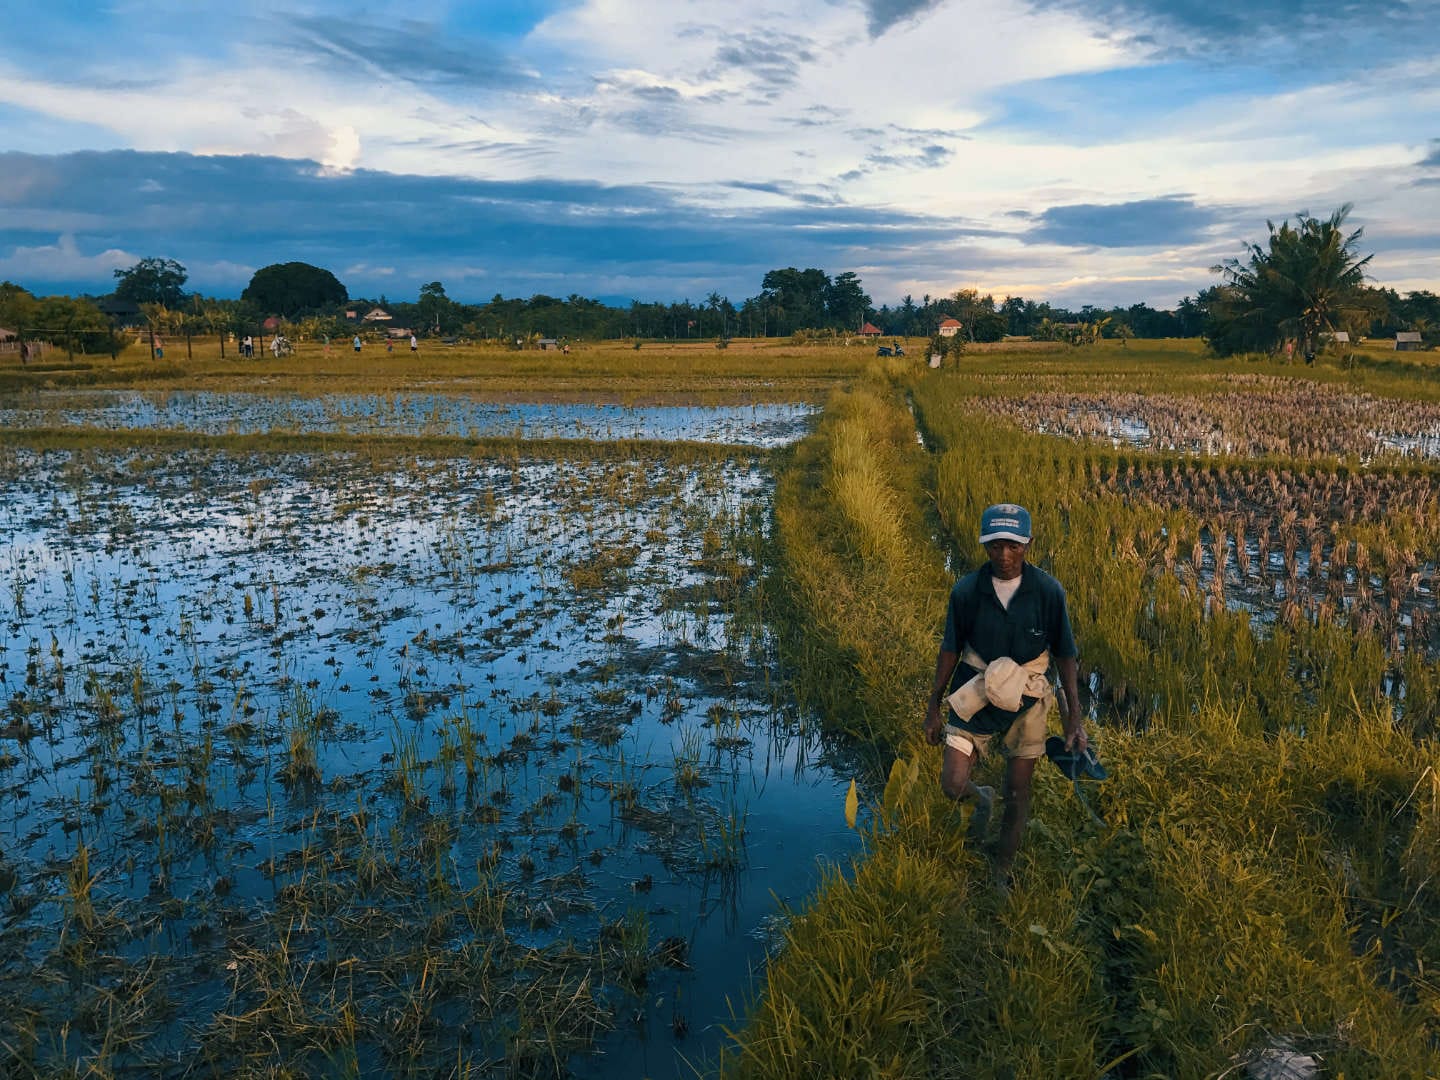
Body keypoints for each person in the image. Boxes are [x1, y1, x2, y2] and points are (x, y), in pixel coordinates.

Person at [924, 502, 1085, 887]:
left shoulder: (1047, 592)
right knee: (952, 783)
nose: (1005, 555)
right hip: (975, 686)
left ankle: (1001, 871)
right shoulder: (967, 591)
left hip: (1028, 695)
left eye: (1013, 545)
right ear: (984, 546)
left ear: (1028, 543)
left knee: (1017, 791)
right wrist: (933, 705)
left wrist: (1073, 719)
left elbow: (1065, 655)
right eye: (995, 546)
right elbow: (950, 648)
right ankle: (981, 798)